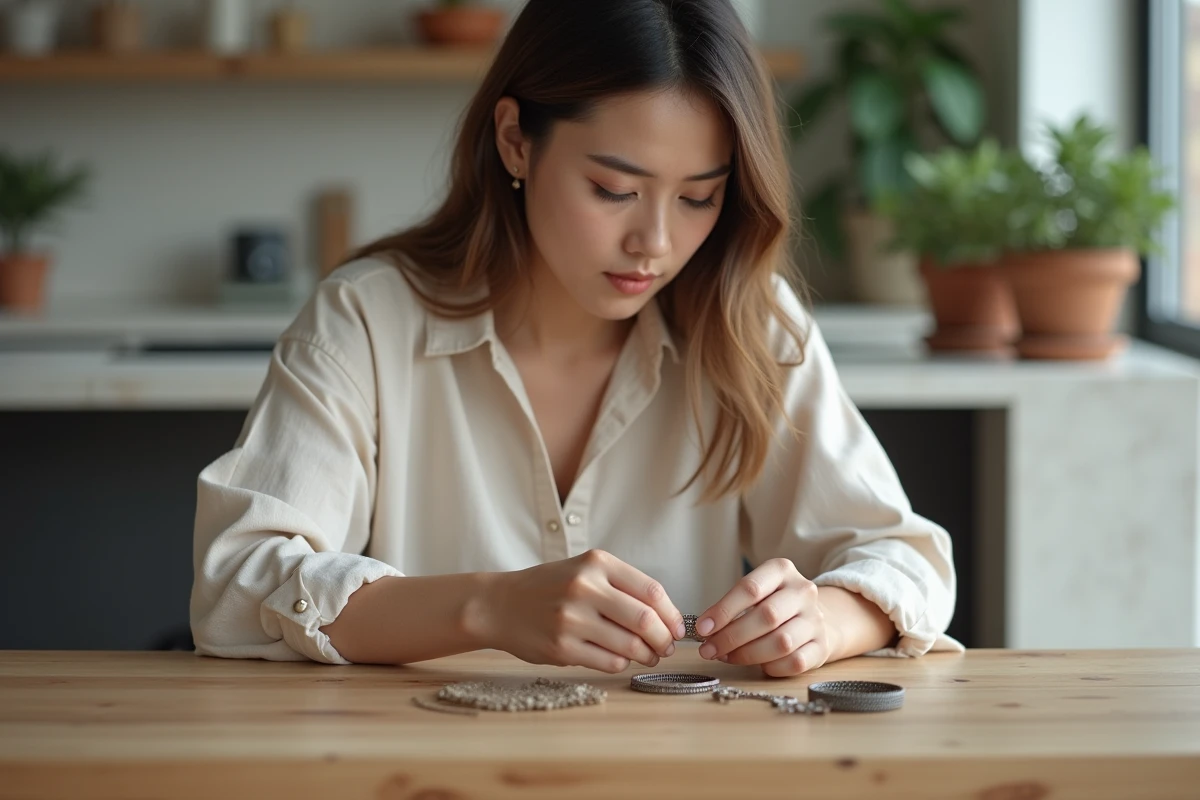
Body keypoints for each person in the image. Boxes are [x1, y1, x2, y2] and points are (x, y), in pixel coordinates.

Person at [190, 0, 960, 677]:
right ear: (516, 139)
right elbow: (237, 584)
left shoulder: (752, 325)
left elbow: (907, 560)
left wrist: (824, 620)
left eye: (700, 197)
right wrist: (486, 606)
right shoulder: (365, 322)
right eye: (614, 190)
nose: (654, 242)